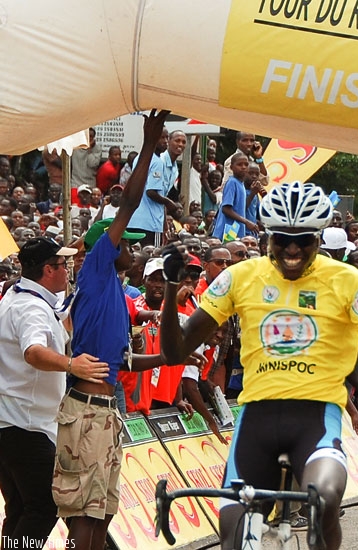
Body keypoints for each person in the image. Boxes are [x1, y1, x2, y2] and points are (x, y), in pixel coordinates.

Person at [158, 181, 358, 550]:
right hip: (257, 417)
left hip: (317, 417)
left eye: (303, 239)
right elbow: (175, 354)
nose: (292, 249)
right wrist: (170, 285)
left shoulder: (349, 281)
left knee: (324, 500)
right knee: (234, 533)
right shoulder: (240, 276)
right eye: (282, 238)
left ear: (319, 238)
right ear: (266, 236)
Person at [52, 110, 185, 550]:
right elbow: (127, 203)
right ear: (104, 248)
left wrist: (170, 355)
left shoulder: (116, 296)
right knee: (86, 520)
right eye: (126, 243)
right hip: (86, 412)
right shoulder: (95, 269)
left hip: (107, 413)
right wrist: (149, 144)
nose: (133, 248)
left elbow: (123, 360)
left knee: (103, 513)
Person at [0, 238, 108, 548]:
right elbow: (33, 352)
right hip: (25, 425)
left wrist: (79, 245)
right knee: (44, 506)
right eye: (64, 266)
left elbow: (60, 312)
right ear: (48, 270)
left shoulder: (19, 294)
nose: (68, 272)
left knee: (21, 507)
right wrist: (72, 365)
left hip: (13, 422)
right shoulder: (30, 307)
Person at [128, 129, 187, 247]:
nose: (180, 144)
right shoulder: (158, 161)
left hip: (134, 219)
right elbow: (151, 192)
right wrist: (169, 203)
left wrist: (164, 223)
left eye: (183, 142)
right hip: (149, 221)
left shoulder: (173, 168)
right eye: (177, 140)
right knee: (150, 256)